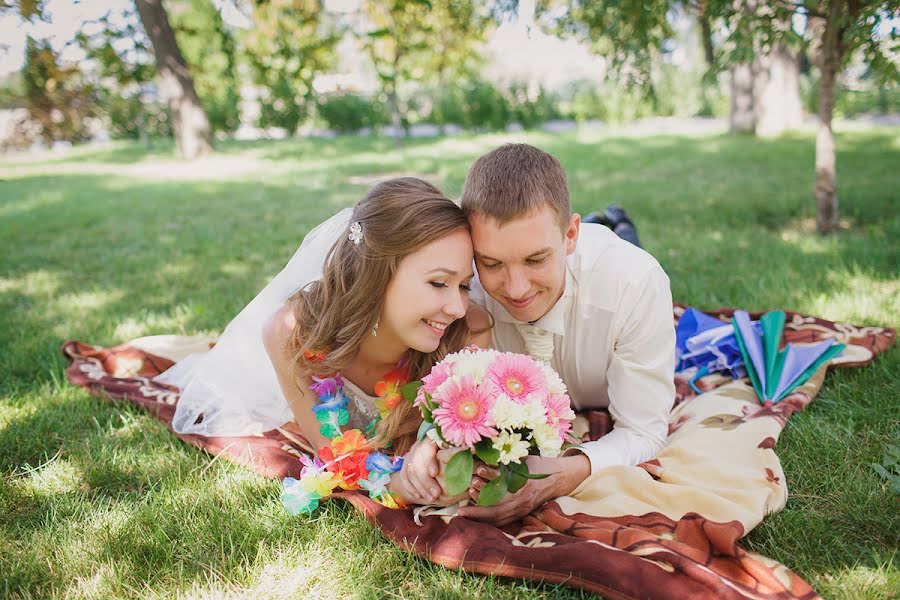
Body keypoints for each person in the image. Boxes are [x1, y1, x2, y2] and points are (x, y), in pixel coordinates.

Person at [158, 177, 491, 506]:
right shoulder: (294, 333)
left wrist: (446, 462)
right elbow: (334, 454)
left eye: (463, 285)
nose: (457, 306)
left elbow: (464, 444)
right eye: (438, 283)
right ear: (377, 275)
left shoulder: (468, 332)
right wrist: (399, 485)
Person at [453, 143, 676, 526]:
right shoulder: (458, 292)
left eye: (535, 259)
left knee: (627, 249)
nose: (516, 288)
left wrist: (564, 474)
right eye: (491, 263)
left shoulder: (636, 283)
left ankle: (617, 223)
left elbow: (644, 431)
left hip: (608, 274)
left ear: (571, 235)